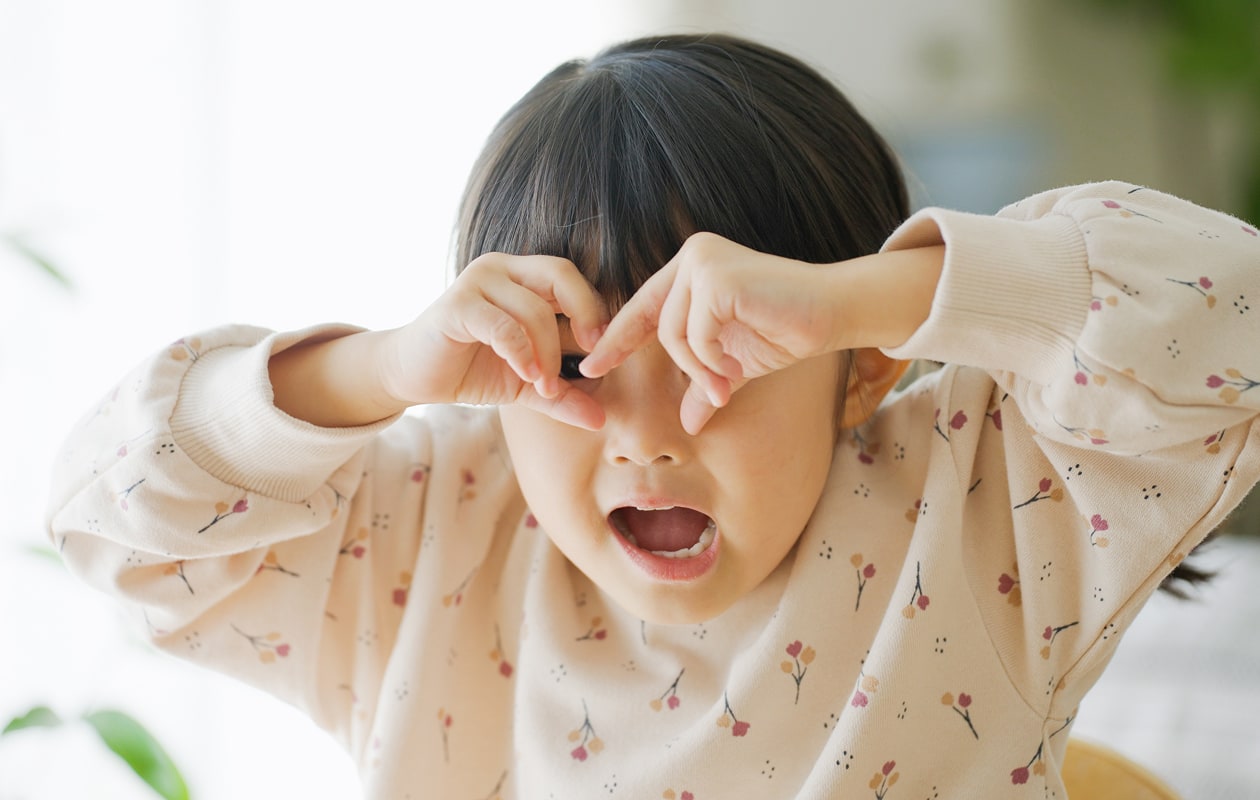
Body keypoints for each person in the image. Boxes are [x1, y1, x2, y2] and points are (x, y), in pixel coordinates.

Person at [46, 33, 1260, 798]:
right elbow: (111, 517)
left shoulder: (972, 495)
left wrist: (866, 298)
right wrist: (377, 368)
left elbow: (1231, 320)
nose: (645, 434)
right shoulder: (432, 531)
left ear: (858, 372)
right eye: (577, 362)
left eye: (709, 352)